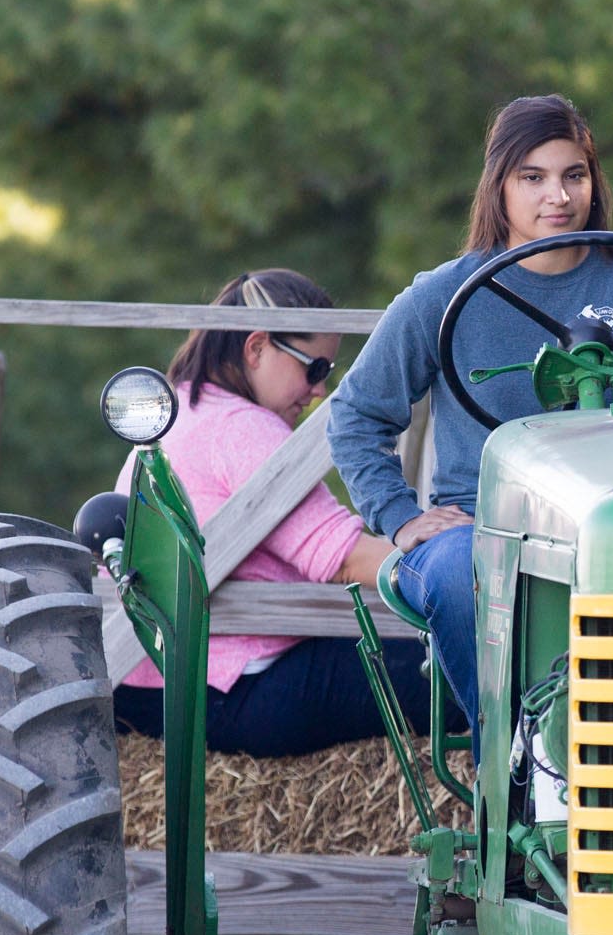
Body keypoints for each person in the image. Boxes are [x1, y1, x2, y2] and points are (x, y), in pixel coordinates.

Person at [327, 95, 613, 719]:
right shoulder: (447, 294)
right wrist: (398, 515)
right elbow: (355, 415)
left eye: (573, 175)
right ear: (498, 186)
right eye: (533, 178)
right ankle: (513, 760)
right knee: (456, 574)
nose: (557, 196)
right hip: (484, 522)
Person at [109, 269, 430, 759]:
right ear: (256, 348)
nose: (320, 391)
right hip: (235, 687)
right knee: (465, 677)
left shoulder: (181, 415)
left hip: (152, 685)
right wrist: (461, 566)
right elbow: (344, 560)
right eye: (315, 368)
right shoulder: (242, 427)